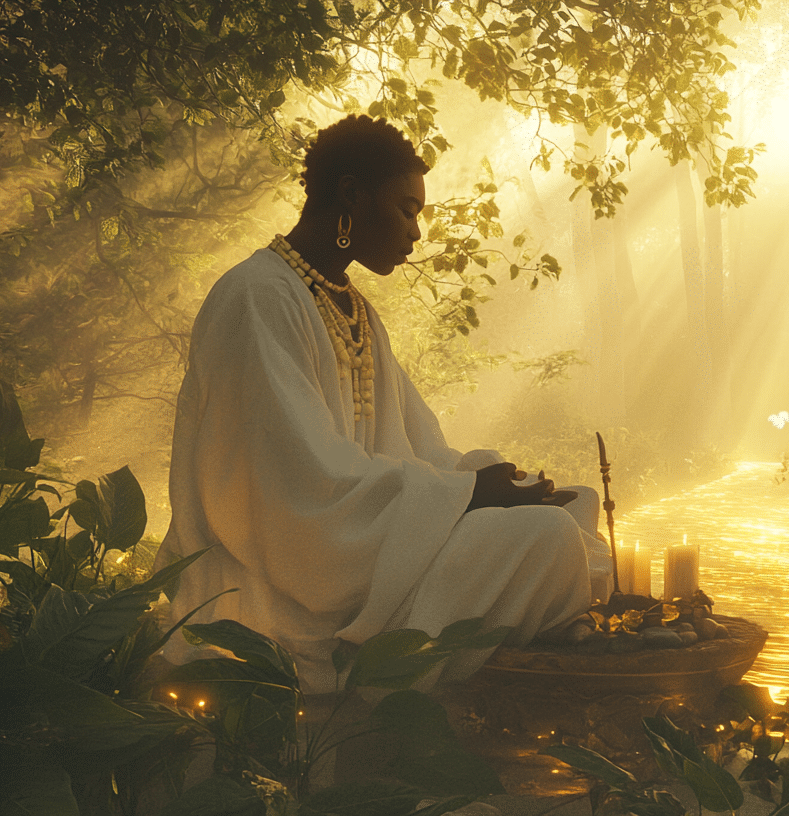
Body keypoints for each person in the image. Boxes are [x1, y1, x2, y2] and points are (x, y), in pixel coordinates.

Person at [156, 115, 610, 692]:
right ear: (350, 194)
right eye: (407, 209)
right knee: (547, 543)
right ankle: (372, 677)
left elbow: (418, 449)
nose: (416, 233)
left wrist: (490, 481)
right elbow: (295, 491)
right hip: (286, 583)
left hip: (368, 548)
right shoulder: (257, 297)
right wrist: (467, 497)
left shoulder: (357, 312)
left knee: (571, 511)